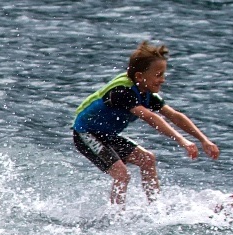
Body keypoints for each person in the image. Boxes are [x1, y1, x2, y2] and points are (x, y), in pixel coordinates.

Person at [72, 41, 221, 205]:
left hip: (107, 136)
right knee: (122, 174)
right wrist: (182, 140)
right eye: (158, 75)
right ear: (139, 77)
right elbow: (150, 117)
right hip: (85, 133)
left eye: (164, 74)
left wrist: (203, 140)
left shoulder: (146, 93)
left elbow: (175, 115)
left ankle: (155, 207)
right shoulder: (122, 93)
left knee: (147, 159)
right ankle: (114, 217)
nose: (163, 80)